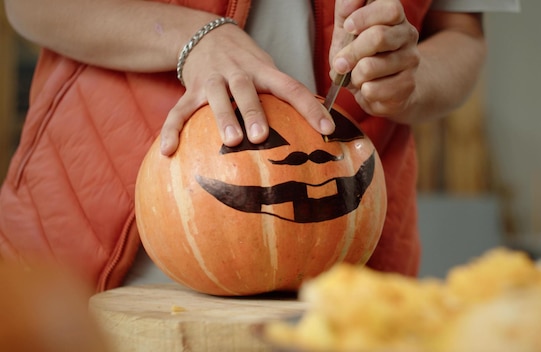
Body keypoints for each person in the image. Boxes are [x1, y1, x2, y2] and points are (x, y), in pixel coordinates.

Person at [0, 0, 513, 292]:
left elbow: (463, 32)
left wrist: (412, 78)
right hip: (90, 255)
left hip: (341, 269)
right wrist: (193, 36)